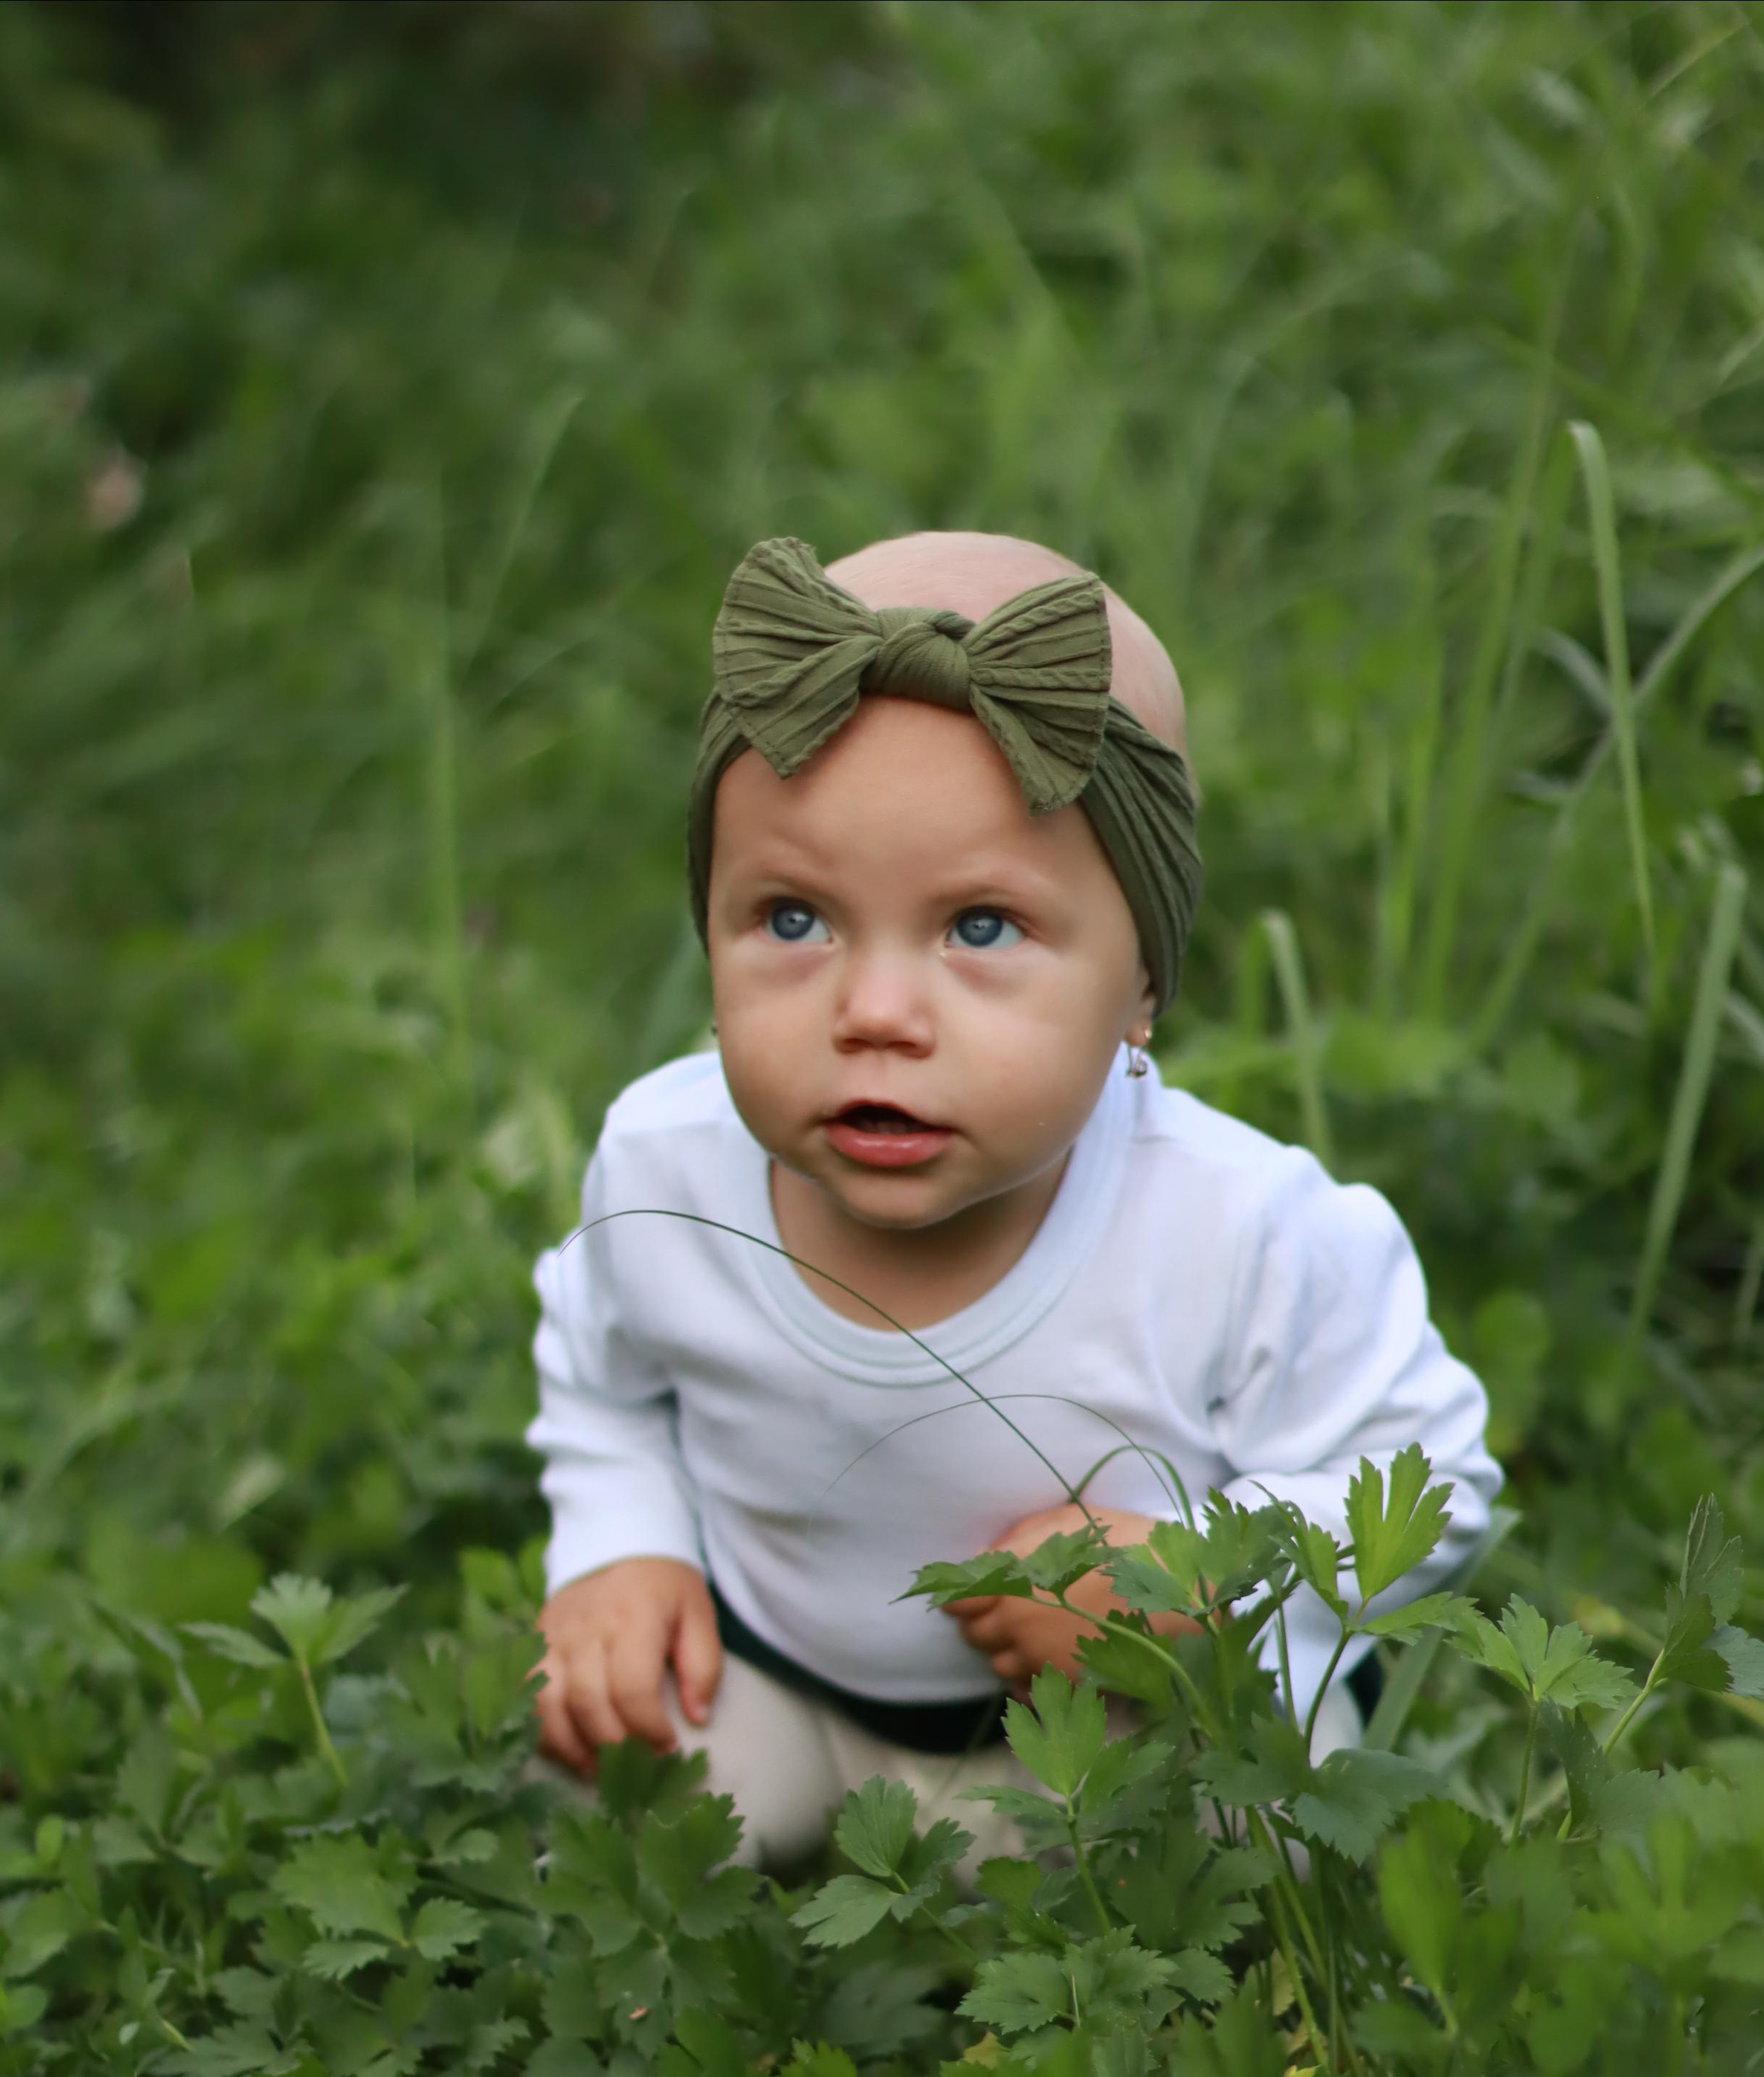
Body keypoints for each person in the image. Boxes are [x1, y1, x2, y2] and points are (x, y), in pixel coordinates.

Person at [528, 531, 1499, 1864]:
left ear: (1143, 985)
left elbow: (1433, 1477)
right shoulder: (664, 1167)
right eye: (794, 920)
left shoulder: (1240, 1229)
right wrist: (619, 1544)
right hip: (785, 1685)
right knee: (618, 1764)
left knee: (1257, 1794)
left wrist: (1191, 1569)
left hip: (1108, 1722)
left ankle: (1189, 1987)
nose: (873, 1013)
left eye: (980, 929)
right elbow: (602, 1373)